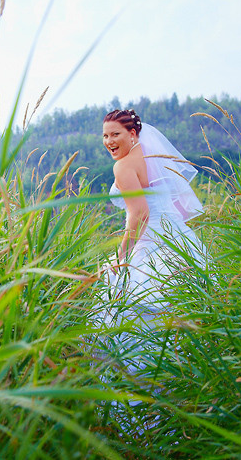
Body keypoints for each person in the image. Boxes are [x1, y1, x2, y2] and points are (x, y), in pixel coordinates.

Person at [98, 109, 207, 340]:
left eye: (115, 134)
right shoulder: (154, 156)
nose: (109, 142)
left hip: (149, 244)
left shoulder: (123, 166)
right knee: (189, 306)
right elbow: (175, 204)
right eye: (105, 136)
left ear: (133, 133)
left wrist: (122, 257)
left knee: (133, 313)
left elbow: (140, 214)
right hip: (181, 239)